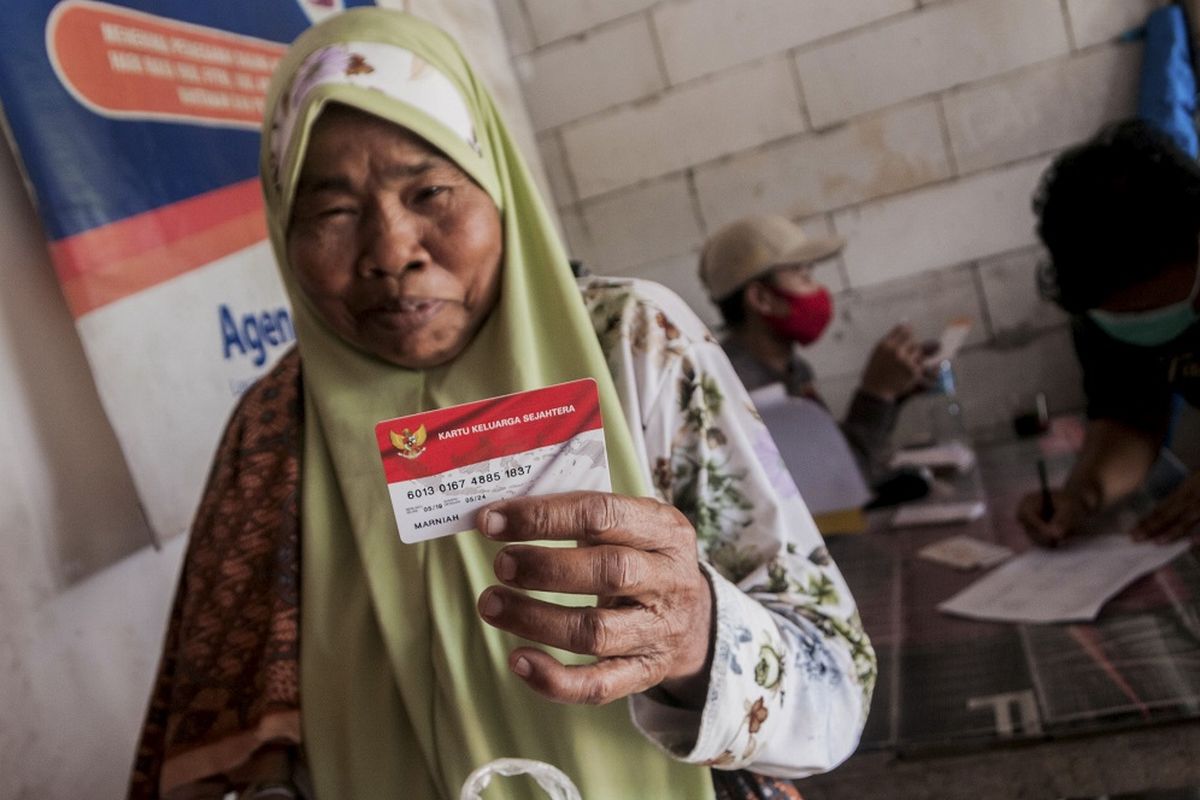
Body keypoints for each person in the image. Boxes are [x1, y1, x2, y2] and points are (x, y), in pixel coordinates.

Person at [127, 10, 874, 800]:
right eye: (333, 212)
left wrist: (698, 639)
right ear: (285, 231)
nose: (391, 252)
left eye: (431, 190)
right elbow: (231, 741)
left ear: (498, 187)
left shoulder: (636, 346)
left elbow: (838, 686)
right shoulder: (271, 436)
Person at [1018, 118, 1200, 547]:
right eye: (1123, 319)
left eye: (1156, 308)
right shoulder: (1099, 307)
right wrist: (1082, 496)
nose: (1145, 330)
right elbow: (1130, 419)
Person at [699, 216, 929, 486]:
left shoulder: (789, 369)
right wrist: (877, 394)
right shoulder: (742, 387)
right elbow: (836, 484)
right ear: (761, 299)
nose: (818, 291)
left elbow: (831, 453)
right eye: (804, 277)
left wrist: (894, 393)